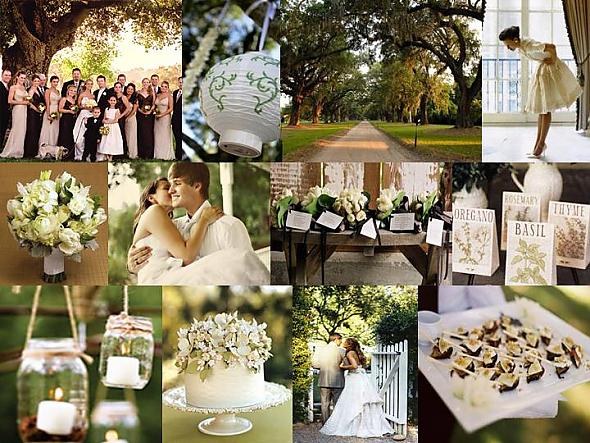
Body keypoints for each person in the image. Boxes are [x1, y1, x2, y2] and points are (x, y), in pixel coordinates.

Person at [126, 163, 270, 285]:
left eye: (176, 184)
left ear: (196, 186)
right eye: (168, 186)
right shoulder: (173, 225)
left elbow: (247, 276)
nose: (171, 191)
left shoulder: (228, 226)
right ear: (151, 198)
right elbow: (181, 256)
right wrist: (131, 265)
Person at [499, 25, 583, 158]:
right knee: (541, 110)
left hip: (550, 71)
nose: (507, 47)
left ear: (515, 40)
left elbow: (552, 46)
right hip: (543, 70)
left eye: (507, 44)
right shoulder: (521, 48)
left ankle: (540, 145)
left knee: (546, 109)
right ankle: (538, 145)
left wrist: (554, 59)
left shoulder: (530, 45)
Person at [320, 337, 394, 438]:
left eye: (345, 342)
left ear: (349, 344)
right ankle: (361, 425)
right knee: (359, 401)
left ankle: (356, 426)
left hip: (354, 377)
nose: (343, 342)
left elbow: (354, 366)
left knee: (354, 401)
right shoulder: (355, 352)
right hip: (359, 377)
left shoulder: (350, 353)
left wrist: (342, 367)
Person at [312, 333, 346, 424]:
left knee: (325, 404)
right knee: (337, 404)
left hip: (324, 380)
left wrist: (324, 367)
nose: (341, 342)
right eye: (340, 340)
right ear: (336, 339)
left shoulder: (320, 350)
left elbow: (314, 364)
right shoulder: (342, 351)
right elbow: (346, 365)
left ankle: (325, 424)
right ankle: (335, 424)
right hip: (338, 381)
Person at [0, 71, 28, 158]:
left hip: (24, 110)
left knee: (22, 129)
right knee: (16, 128)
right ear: (17, 77)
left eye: (24, 78)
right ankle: (11, 150)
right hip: (17, 109)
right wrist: (22, 102)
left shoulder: (24, 88)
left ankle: (19, 151)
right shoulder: (13, 87)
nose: (22, 79)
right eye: (21, 77)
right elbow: (10, 101)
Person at [73, 78, 97, 160]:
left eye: (91, 84)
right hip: (83, 114)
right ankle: (79, 154)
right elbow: (78, 105)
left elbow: (94, 108)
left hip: (90, 115)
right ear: (85, 85)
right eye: (88, 84)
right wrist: (84, 106)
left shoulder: (93, 96)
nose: (89, 85)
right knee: (80, 134)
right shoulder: (82, 94)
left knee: (89, 134)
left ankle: (88, 154)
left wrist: (91, 108)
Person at [23, 74, 44, 158]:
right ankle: (29, 152)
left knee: (36, 131)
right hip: (32, 113)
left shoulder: (38, 89)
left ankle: (34, 151)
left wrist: (41, 108)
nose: (37, 82)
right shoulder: (31, 90)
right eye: (35, 81)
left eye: (38, 81)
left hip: (37, 113)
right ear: (32, 81)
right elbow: (29, 102)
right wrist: (37, 109)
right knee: (31, 131)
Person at [98, 95, 124, 160]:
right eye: (111, 100)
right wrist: (105, 122)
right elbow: (103, 119)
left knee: (113, 140)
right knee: (106, 140)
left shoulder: (117, 110)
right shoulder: (106, 109)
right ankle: (106, 154)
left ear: (116, 102)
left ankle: (111, 156)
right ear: (109, 101)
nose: (112, 102)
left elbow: (116, 120)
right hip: (106, 126)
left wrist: (108, 121)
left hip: (114, 127)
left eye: (114, 100)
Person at [38, 75, 61, 150]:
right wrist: (48, 115)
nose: (55, 83)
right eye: (54, 82)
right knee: (47, 130)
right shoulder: (47, 91)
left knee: (54, 130)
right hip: (50, 110)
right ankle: (44, 149)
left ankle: (53, 149)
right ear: (50, 82)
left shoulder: (58, 91)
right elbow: (47, 104)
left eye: (57, 82)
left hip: (57, 112)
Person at [154, 80, 174, 159]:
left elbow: (171, 108)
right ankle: (157, 154)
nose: (163, 88)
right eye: (162, 86)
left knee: (164, 135)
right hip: (157, 118)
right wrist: (155, 112)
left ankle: (165, 155)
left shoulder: (170, 96)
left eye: (165, 87)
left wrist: (162, 115)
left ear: (168, 88)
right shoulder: (157, 95)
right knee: (157, 135)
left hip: (165, 118)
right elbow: (155, 106)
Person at [136, 77, 155, 159]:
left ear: (149, 83)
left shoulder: (152, 93)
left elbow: (154, 104)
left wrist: (150, 111)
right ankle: (141, 153)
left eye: (147, 82)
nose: (145, 83)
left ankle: (149, 153)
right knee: (141, 133)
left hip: (149, 116)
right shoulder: (138, 93)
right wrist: (141, 111)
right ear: (142, 83)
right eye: (144, 82)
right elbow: (136, 105)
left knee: (149, 133)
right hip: (140, 116)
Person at [113, 81, 131, 157]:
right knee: (114, 135)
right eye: (116, 87)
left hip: (120, 119)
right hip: (113, 118)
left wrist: (121, 116)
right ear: (114, 88)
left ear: (121, 88)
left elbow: (128, 108)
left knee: (121, 134)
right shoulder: (113, 97)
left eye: (119, 87)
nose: (117, 88)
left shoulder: (123, 97)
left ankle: (122, 153)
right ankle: (115, 152)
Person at [125, 83, 139, 159]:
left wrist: (127, 117)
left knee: (131, 136)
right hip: (124, 119)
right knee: (126, 136)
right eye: (128, 89)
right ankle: (127, 152)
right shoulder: (124, 97)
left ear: (133, 91)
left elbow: (134, 110)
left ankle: (133, 153)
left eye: (131, 89)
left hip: (131, 119)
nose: (129, 90)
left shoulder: (135, 99)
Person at [0, 69, 12, 147]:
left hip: (5, 113)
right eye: (6, 75)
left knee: (2, 130)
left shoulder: (9, 87)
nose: (8, 77)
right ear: (2, 76)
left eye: (9, 75)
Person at [172, 76, 183, 159]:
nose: (181, 84)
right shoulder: (175, 92)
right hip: (175, 120)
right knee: (177, 138)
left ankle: (180, 156)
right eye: (180, 82)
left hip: (182, 120)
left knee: (181, 139)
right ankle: (177, 154)